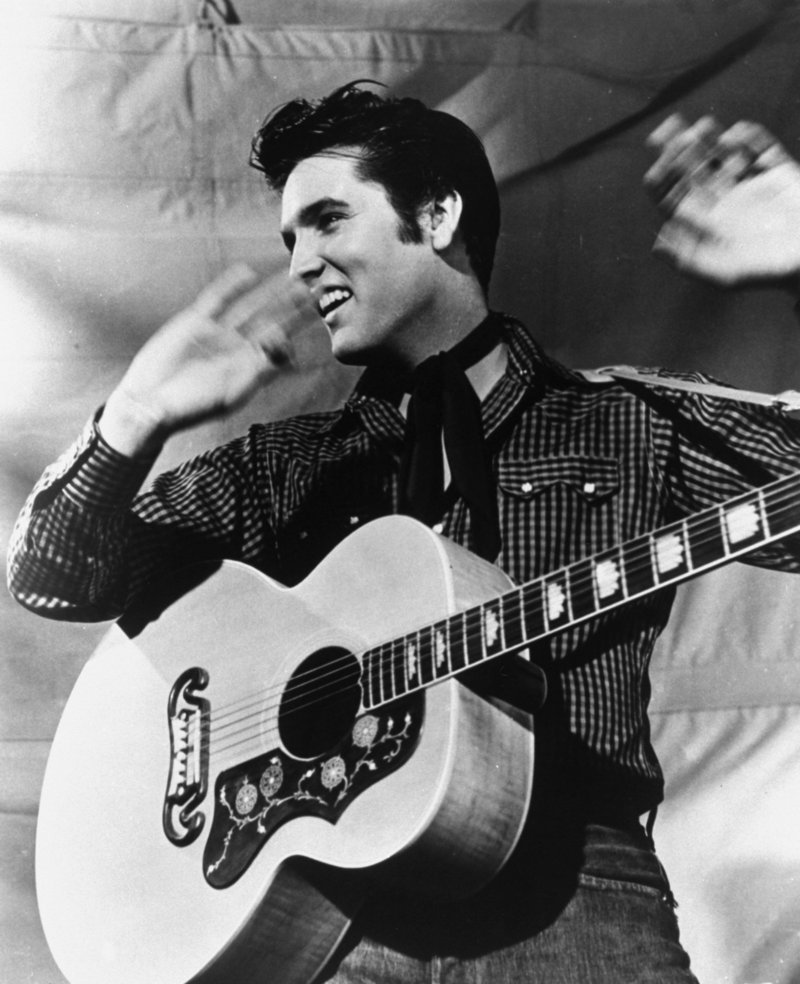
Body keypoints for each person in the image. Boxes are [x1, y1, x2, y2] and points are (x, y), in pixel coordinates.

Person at [8, 82, 800, 982]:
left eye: (328, 220)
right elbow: (52, 575)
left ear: (437, 214)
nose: (303, 263)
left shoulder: (627, 421)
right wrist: (134, 418)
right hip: (338, 917)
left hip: (576, 893)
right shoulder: (280, 468)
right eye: (289, 238)